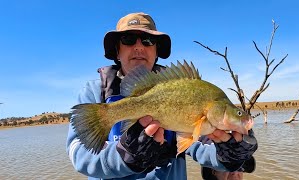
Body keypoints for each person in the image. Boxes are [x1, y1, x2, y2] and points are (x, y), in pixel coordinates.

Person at [66, 12, 258, 180]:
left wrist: (230, 155)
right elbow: (79, 155)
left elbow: (204, 148)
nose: (139, 47)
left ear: (156, 51)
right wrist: (124, 155)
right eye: (129, 39)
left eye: (148, 41)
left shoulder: (182, 90)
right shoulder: (95, 92)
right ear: (117, 51)